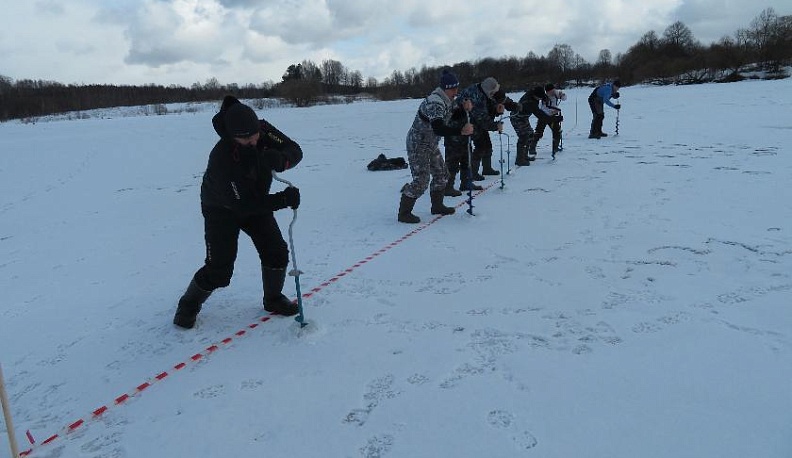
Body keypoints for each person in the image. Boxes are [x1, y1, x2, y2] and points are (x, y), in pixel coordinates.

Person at [173, 95, 303, 329]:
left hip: (256, 202)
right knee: (220, 271)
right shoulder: (222, 157)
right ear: (232, 136)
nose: (253, 142)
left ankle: (273, 299)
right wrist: (282, 200)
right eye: (245, 140)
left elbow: (295, 150)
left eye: (255, 137)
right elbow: (244, 205)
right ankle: (188, 303)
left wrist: (283, 159)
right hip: (221, 209)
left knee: (276, 252)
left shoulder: (262, 130)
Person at [398, 70, 473, 224]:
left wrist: (464, 107)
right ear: (445, 88)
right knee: (421, 181)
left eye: (456, 88)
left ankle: (437, 206)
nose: (455, 92)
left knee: (442, 174)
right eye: (453, 89)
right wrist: (460, 131)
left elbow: (454, 113)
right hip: (418, 144)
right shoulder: (435, 102)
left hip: (431, 143)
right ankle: (404, 213)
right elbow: (439, 128)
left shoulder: (447, 99)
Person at [457, 77, 504, 180]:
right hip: (465, 121)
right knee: (480, 145)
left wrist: (497, 109)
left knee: (487, 143)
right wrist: (496, 126)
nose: (493, 94)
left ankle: (487, 168)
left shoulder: (482, 89)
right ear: (489, 90)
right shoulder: (475, 96)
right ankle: (472, 173)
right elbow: (482, 120)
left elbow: (489, 102)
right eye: (493, 92)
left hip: (475, 118)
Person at [509, 86, 558, 166]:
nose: (540, 99)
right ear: (535, 96)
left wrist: (545, 98)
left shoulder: (533, 92)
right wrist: (554, 119)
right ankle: (519, 159)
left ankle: (524, 156)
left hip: (524, 118)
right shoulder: (529, 102)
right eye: (539, 98)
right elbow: (541, 116)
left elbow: (541, 94)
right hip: (516, 118)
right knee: (524, 136)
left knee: (530, 135)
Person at [535, 83, 566, 158]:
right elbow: (542, 108)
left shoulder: (555, 93)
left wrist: (562, 95)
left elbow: (564, 98)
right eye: (551, 91)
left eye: (553, 90)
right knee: (539, 133)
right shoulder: (544, 97)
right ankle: (532, 147)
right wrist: (551, 112)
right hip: (544, 117)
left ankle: (555, 147)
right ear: (547, 91)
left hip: (553, 117)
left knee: (557, 131)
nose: (552, 92)